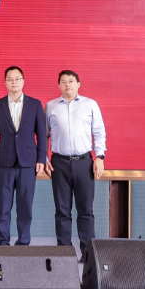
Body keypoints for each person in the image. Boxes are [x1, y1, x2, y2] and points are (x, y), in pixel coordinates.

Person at [45, 70, 107, 261]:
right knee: (62, 211)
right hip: (59, 163)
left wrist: (100, 157)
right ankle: (64, 254)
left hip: (84, 163)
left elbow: (99, 132)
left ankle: (88, 255)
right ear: (59, 85)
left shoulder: (90, 104)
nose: (67, 85)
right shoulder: (50, 106)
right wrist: (44, 158)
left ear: (78, 84)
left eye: (71, 81)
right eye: (63, 82)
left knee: (85, 210)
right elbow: (43, 134)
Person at [0, 66, 48, 246]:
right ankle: (3, 242)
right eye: (10, 79)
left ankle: (23, 242)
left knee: (25, 206)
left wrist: (41, 158)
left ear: (23, 81)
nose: (14, 82)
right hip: (4, 162)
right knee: (3, 205)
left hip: (28, 162)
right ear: (5, 82)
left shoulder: (35, 104)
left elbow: (42, 134)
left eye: (17, 78)